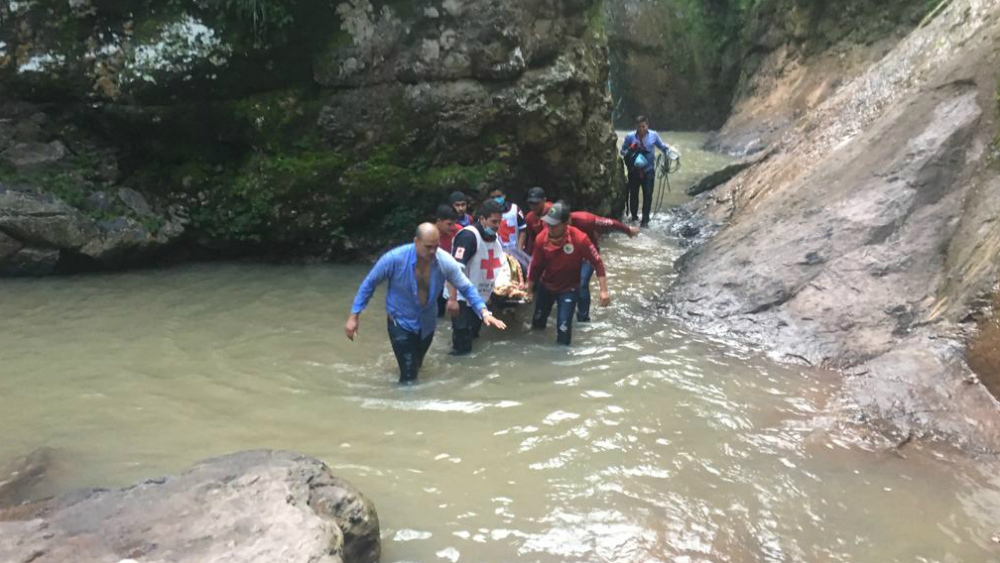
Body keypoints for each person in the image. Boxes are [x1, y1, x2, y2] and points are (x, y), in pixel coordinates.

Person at [346, 223, 507, 383]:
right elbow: (369, 284)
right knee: (409, 377)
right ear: (416, 242)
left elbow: (466, 287)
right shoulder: (394, 259)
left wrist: (484, 312)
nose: (432, 252)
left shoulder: (444, 261)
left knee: (417, 365)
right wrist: (354, 316)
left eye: (436, 247)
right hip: (400, 321)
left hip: (427, 324)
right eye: (428, 247)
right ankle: (406, 404)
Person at [526, 202, 609, 346]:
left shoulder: (580, 239)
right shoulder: (541, 238)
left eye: (554, 225)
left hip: (568, 289)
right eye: (548, 224)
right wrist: (529, 290)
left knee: (563, 329)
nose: (550, 228)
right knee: (537, 324)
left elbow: (597, 262)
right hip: (546, 286)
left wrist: (603, 290)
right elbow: (535, 267)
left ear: (567, 223)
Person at [447, 200, 506, 355]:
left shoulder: (494, 238)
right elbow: (453, 270)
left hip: (480, 299)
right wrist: (452, 299)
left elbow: (497, 267)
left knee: (474, 335)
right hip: (461, 297)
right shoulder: (468, 237)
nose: (497, 225)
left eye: (499, 222)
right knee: (462, 346)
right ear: (482, 219)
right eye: (493, 221)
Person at [568, 211, 638, 322]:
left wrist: (627, 230)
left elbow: (610, 223)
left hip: (588, 254)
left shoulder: (586, 220)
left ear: (568, 220)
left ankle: (583, 319)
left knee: (582, 284)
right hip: (567, 253)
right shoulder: (549, 224)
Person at [620, 115, 677, 227]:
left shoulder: (654, 135)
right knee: (634, 194)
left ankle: (645, 220)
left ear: (647, 126)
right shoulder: (630, 137)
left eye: (643, 126)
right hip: (634, 170)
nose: (641, 129)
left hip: (648, 170)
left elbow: (662, 147)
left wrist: (672, 153)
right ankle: (634, 216)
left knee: (648, 194)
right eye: (639, 126)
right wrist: (631, 149)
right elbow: (623, 151)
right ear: (635, 126)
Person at [434, 204, 461, 317]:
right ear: (439, 221)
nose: (452, 227)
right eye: (449, 224)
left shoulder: (460, 232)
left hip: (451, 275)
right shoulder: (428, 234)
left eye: (454, 223)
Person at [488, 186, 525, 253]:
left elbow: (523, 230)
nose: (496, 199)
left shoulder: (516, 209)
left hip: (514, 252)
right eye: (493, 198)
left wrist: (519, 251)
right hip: (496, 253)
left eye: (498, 196)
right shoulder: (487, 212)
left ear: (504, 196)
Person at [521, 186, 552, 256]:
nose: (533, 206)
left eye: (536, 203)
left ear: (544, 200)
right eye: (531, 203)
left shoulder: (552, 212)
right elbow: (531, 239)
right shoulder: (529, 217)